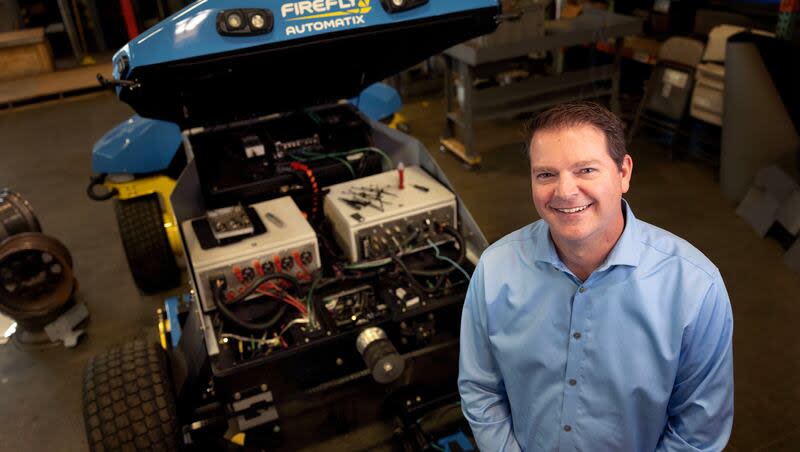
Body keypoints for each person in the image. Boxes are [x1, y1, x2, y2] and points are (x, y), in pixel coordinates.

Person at [458, 102, 733, 451]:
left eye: (586, 170)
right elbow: (480, 389)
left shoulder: (695, 288)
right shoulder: (495, 270)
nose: (565, 191)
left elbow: (697, 433)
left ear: (624, 173)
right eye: (546, 174)